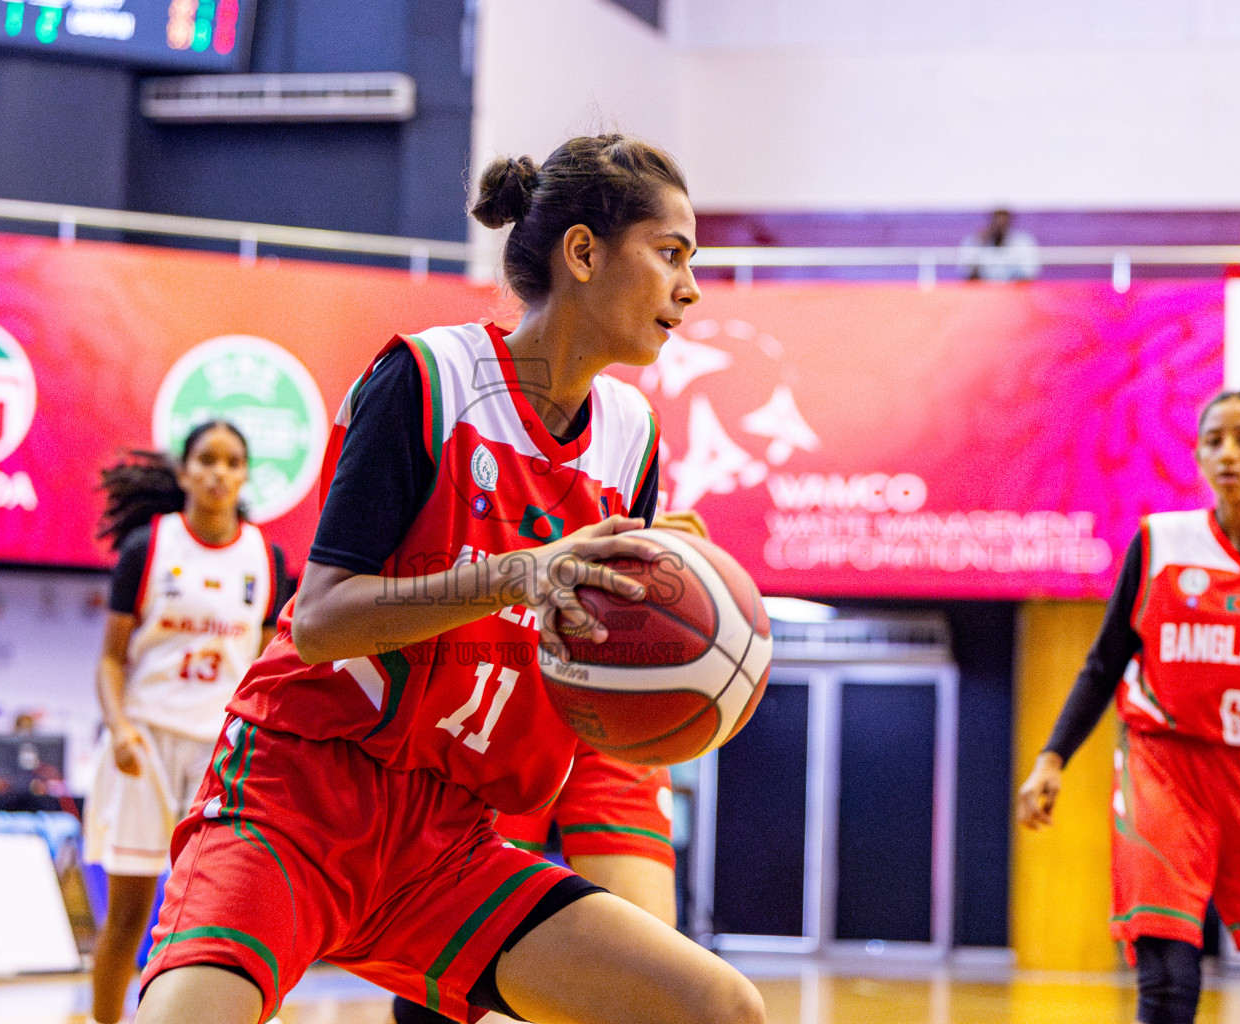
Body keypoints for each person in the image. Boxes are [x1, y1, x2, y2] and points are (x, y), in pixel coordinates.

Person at [134, 135, 766, 1024]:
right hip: (299, 799)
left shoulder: (632, 439)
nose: (690, 289)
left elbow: (587, 654)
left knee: (716, 1008)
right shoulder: (430, 377)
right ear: (582, 253)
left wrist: (667, 623)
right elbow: (318, 620)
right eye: (671, 254)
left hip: (450, 841)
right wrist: (520, 574)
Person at [1018, 390, 1240, 1024]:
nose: (1227, 454)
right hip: (1165, 771)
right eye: (1213, 440)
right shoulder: (1161, 541)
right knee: (1169, 976)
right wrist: (1051, 757)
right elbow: (1104, 660)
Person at [390, 509, 709, 1024]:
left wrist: (690, 569)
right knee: (455, 967)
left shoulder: (635, 439)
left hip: (609, 698)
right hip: (501, 677)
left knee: (656, 977)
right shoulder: (471, 442)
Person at [86, 421, 289, 1024]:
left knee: (223, 909)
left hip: (224, 752)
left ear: (246, 474)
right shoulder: (148, 549)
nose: (219, 472)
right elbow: (109, 659)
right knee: (129, 913)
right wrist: (119, 727)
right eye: (207, 460)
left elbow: (263, 666)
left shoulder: (267, 559)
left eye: (232, 461)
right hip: (143, 743)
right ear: (184, 473)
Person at [958, 208, 1039, 282]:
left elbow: (1029, 274)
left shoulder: (1023, 241)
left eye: (1004, 217)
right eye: (997, 217)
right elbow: (967, 276)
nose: (1000, 222)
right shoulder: (975, 240)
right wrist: (981, 245)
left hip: (1014, 292)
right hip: (982, 293)